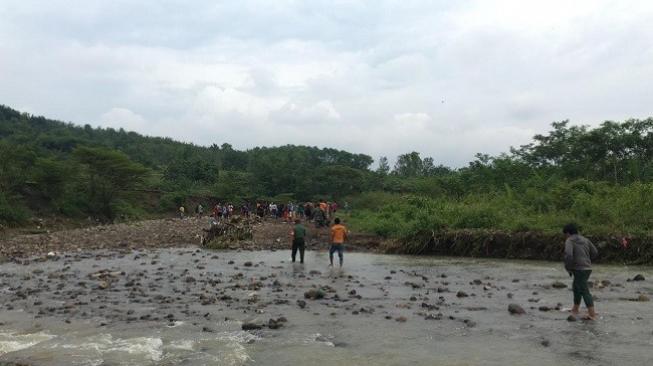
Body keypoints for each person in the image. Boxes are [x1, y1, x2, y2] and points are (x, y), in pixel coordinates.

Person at [563, 223, 599, 320]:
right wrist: (587, 260)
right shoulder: (585, 240)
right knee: (576, 286)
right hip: (587, 268)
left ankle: (592, 314)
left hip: (578, 269)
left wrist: (568, 267)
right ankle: (575, 308)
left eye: (565, 234)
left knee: (583, 289)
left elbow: (568, 255)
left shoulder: (569, 240)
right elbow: (595, 252)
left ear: (568, 233)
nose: (565, 236)